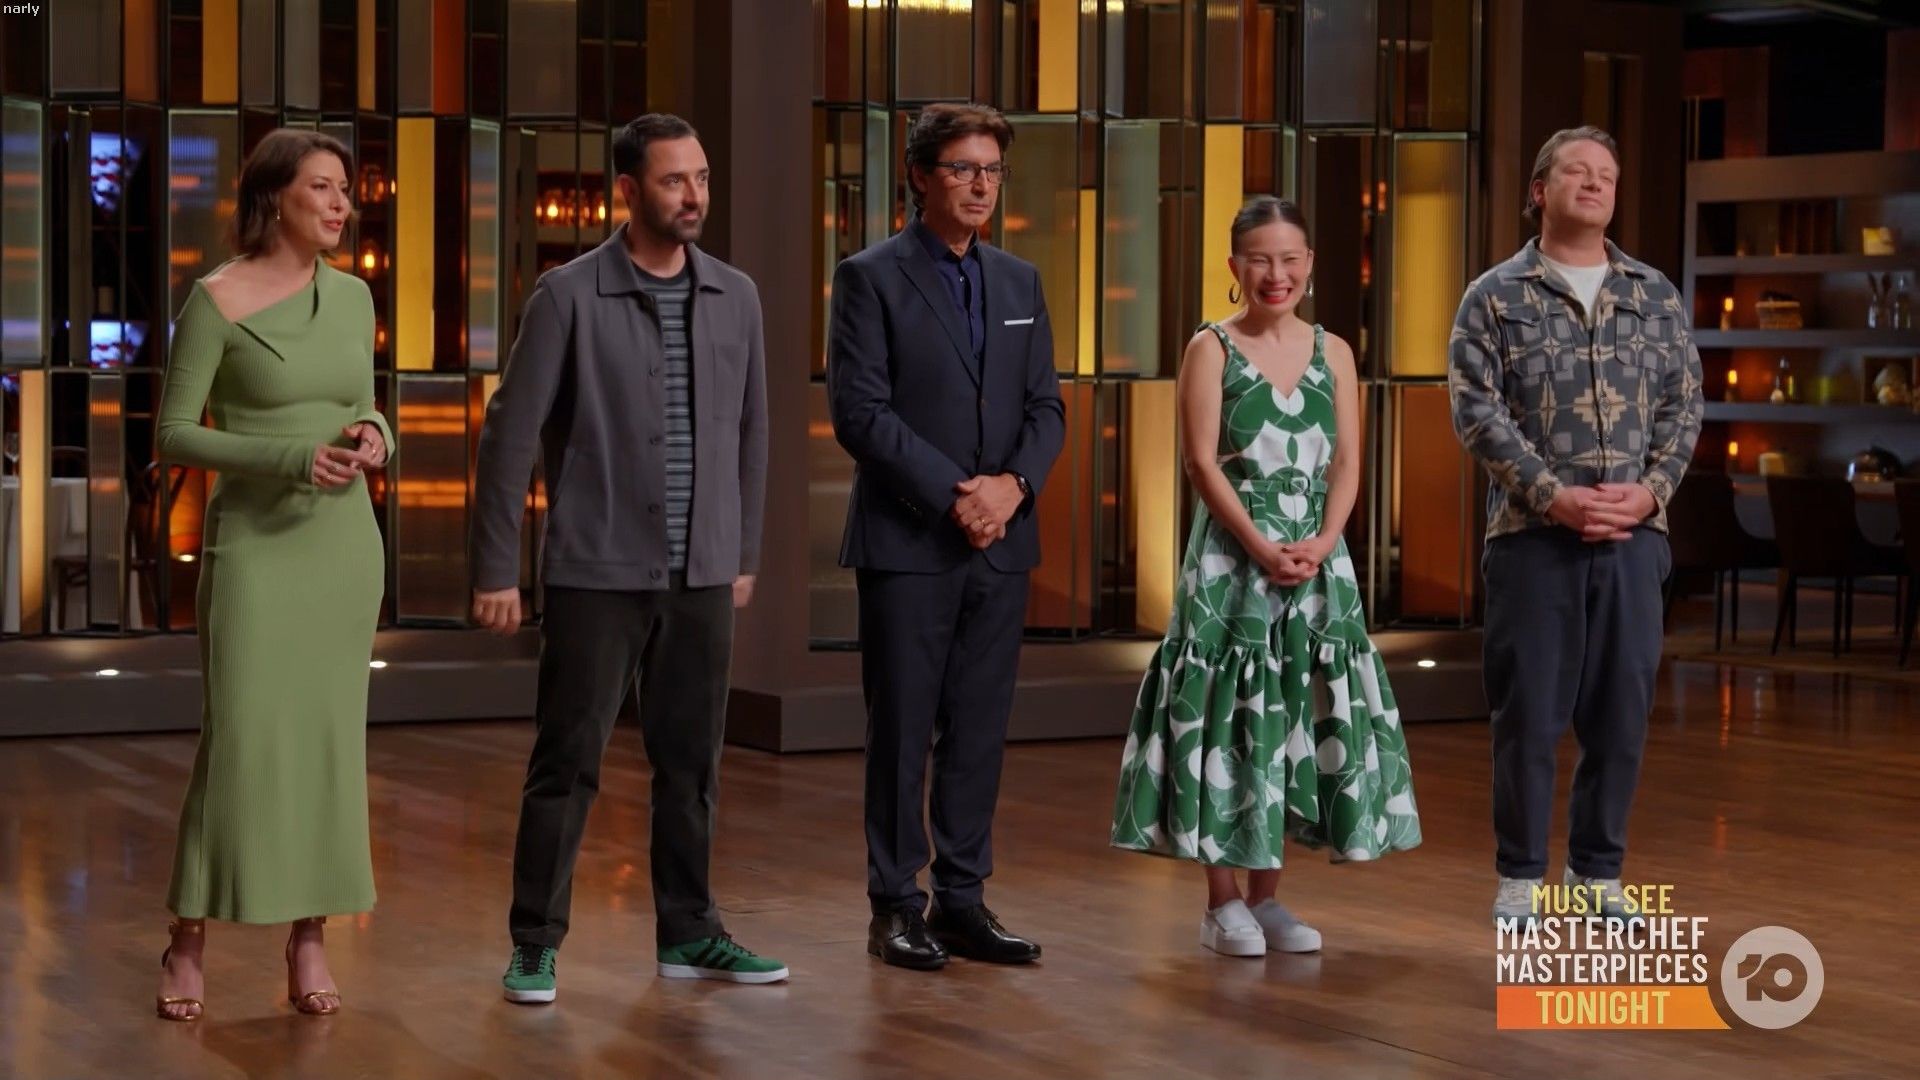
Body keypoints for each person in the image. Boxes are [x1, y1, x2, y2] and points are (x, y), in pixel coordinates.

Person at [471, 112, 782, 1001]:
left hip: (703, 573)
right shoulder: (568, 295)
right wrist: (495, 569)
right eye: (674, 180)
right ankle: (535, 943)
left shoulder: (737, 296)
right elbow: (509, 438)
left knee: (694, 766)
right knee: (567, 763)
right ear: (628, 190)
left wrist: (741, 551)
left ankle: (691, 933)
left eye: (702, 178)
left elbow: (753, 433)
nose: (694, 196)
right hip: (596, 571)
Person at [1110, 196, 1422, 957]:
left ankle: (1268, 896)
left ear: (1309, 264)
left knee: (1295, 709)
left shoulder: (1335, 350)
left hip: (1318, 558)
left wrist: (1324, 541)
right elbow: (1200, 462)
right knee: (1227, 713)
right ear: (1234, 266)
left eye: (1288, 259)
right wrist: (1259, 544)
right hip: (1231, 560)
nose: (1275, 274)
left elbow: (1348, 462)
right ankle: (1222, 902)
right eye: (1259, 259)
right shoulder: (1210, 347)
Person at [154, 129, 393, 1020]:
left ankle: (311, 935)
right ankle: (187, 938)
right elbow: (173, 434)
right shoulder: (214, 301)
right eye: (322, 187)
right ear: (274, 196)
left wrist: (377, 436)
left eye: (345, 190)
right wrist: (289, 456)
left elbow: (362, 402)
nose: (341, 204)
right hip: (255, 549)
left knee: (329, 745)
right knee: (241, 744)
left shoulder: (355, 297)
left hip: (343, 549)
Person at [828, 102, 1064, 971]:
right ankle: (895, 904)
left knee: (979, 729)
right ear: (920, 176)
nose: (980, 185)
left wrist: (1013, 488)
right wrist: (957, 495)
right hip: (909, 541)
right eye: (962, 168)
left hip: (1002, 542)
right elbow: (860, 413)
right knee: (901, 731)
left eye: (992, 170)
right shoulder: (869, 277)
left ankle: (962, 900)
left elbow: (1046, 408)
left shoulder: (1020, 281)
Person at [1448, 126, 1702, 924]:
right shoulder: (1495, 296)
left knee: (1621, 716)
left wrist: (1651, 494)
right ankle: (1521, 876)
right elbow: (1476, 411)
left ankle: (1597, 873)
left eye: (1606, 176)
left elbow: (1685, 407)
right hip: (1532, 541)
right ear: (1540, 190)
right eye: (1576, 172)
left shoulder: (1655, 295)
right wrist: (1551, 495)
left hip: (1634, 541)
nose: (1593, 184)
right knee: (1527, 717)